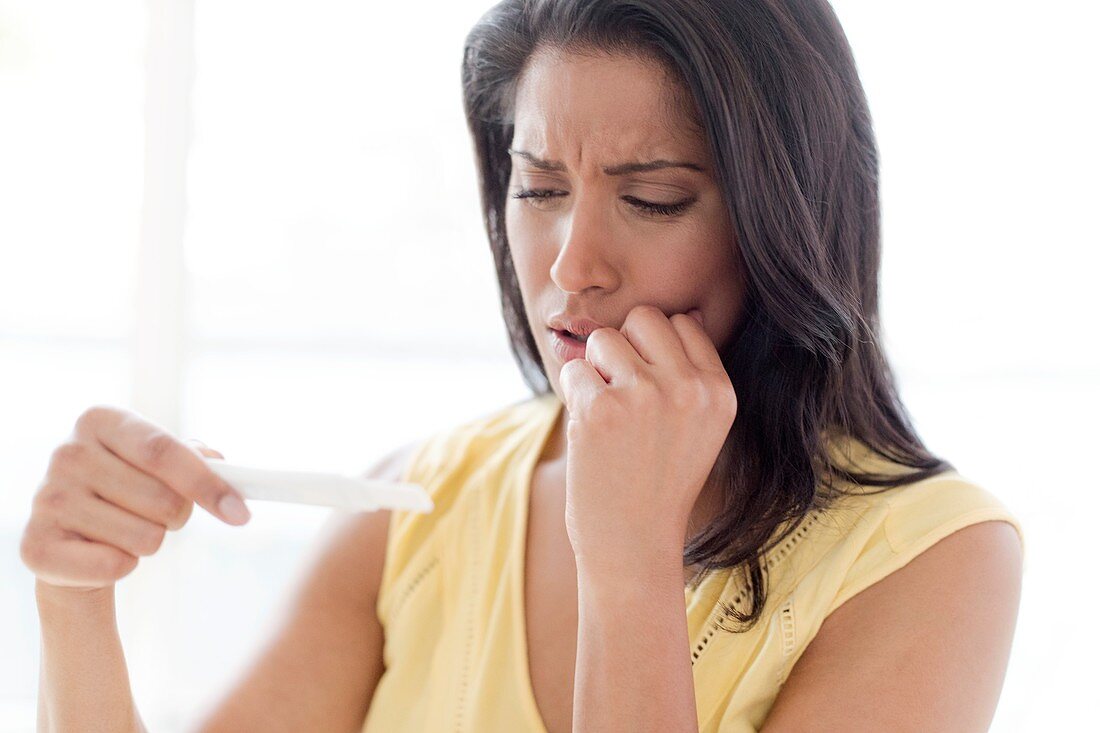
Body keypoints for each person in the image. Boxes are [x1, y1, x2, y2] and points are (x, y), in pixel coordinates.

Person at [20, 0, 1025, 731]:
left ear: (784, 218)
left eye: (655, 199)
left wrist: (628, 562)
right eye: (537, 188)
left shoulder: (934, 557)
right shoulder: (417, 501)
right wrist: (72, 599)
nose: (570, 268)